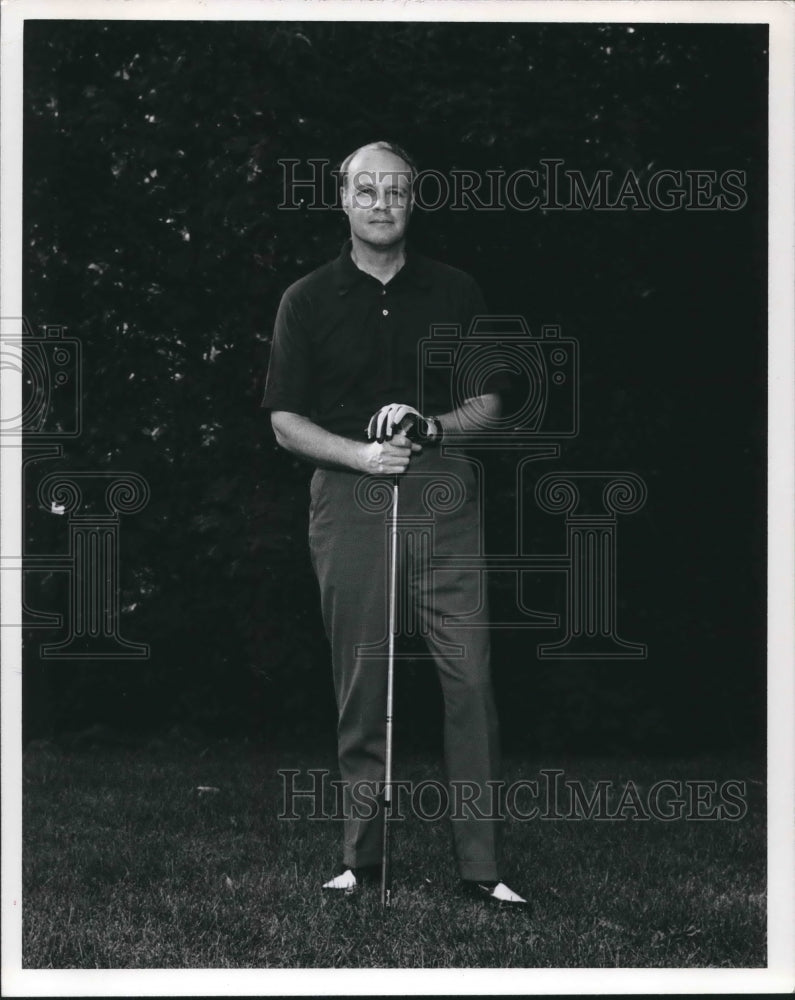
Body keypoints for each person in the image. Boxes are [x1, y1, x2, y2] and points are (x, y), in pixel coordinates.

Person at [263, 141, 526, 905]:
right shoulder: (305, 299)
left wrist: (432, 427)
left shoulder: (456, 290)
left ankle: (482, 869)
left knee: (469, 679)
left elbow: (491, 404)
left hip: (443, 493)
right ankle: (361, 859)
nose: (382, 203)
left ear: (414, 200)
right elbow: (283, 420)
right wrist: (356, 454)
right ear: (342, 199)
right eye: (366, 190)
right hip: (349, 495)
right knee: (360, 679)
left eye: (397, 191)